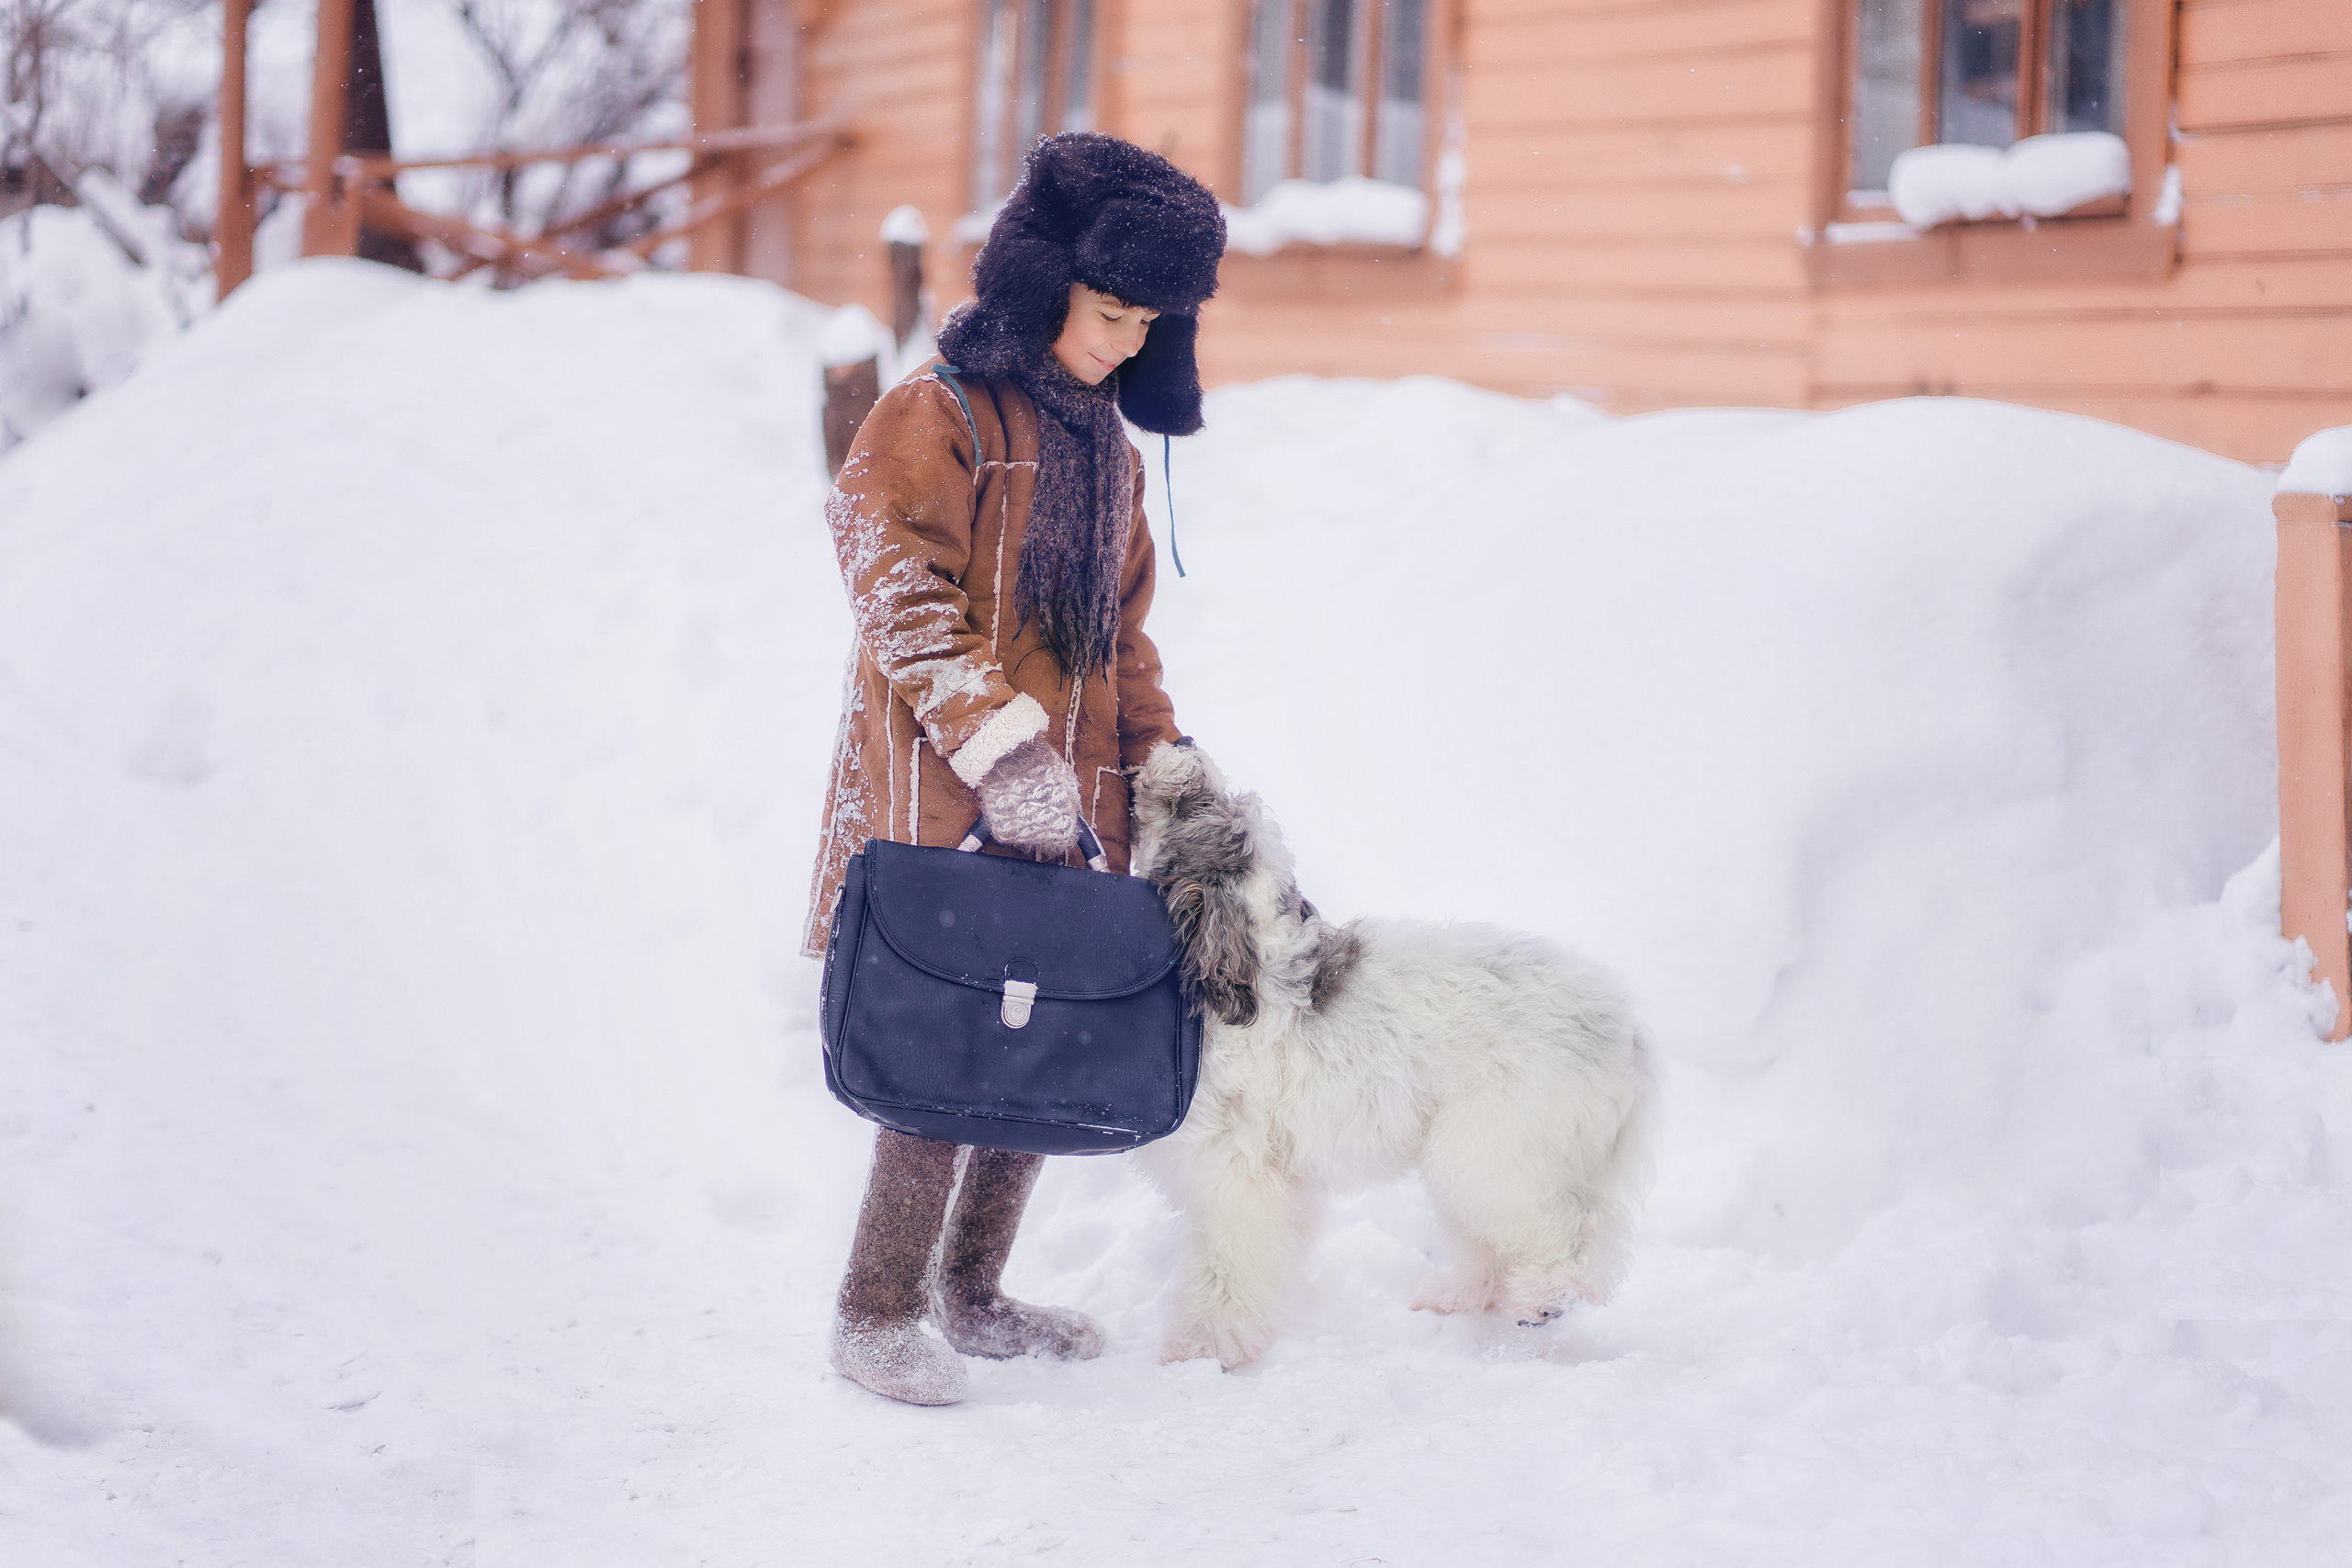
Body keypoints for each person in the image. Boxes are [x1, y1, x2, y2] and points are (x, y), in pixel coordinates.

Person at [800, 132, 1226, 1405]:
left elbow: (1124, 639)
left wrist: (1163, 775)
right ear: (1049, 287)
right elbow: (896, 584)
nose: (1124, 343)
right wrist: (1001, 747)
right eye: (1108, 313)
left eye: (1149, 323)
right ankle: (873, 1314)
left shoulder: (1104, 452)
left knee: (1027, 1048)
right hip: (945, 792)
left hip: (1075, 799)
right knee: (944, 1051)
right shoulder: (934, 412)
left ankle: (971, 1293)